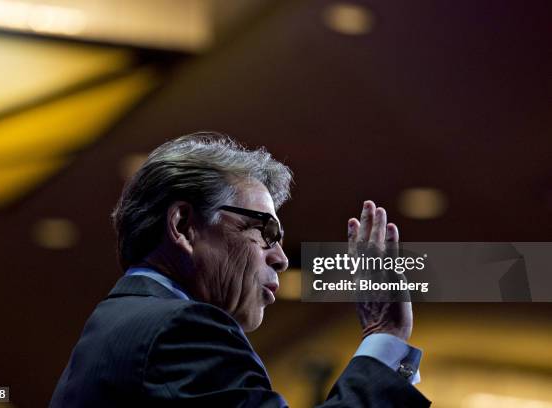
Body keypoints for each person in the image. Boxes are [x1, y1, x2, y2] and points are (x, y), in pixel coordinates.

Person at [50, 132, 430, 407]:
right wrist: (387, 336)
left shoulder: (120, 324)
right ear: (184, 226)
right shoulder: (179, 330)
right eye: (264, 230)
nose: (281, 257)